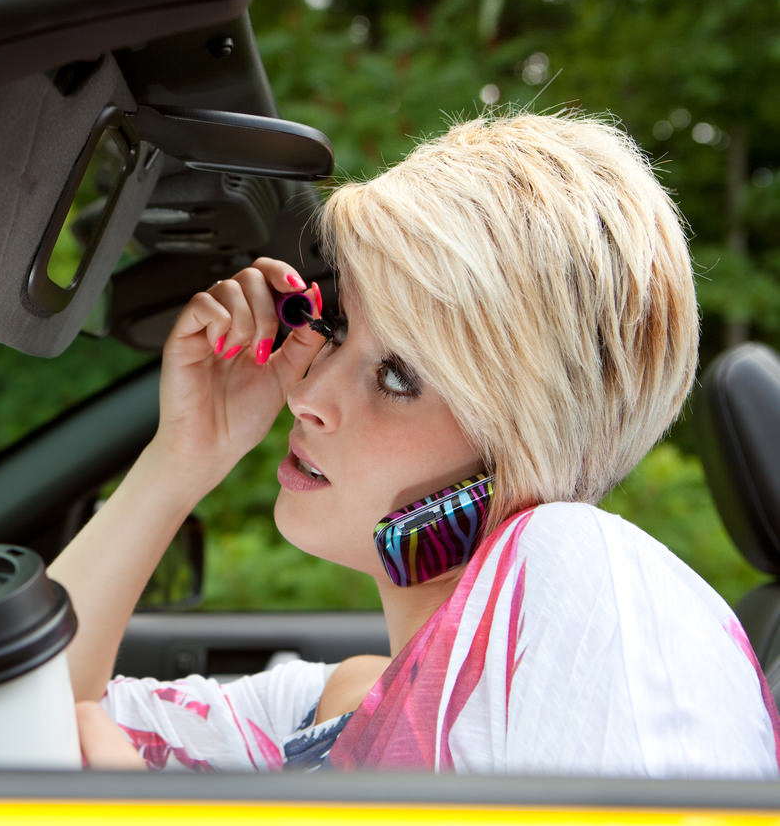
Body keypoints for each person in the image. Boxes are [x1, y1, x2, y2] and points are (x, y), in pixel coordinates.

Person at [48, 111, 780, 777]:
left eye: (397, 376)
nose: (307, 396)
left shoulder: (590, 575)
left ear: (528, 442)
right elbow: (24, 735)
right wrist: (182, 459)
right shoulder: (323, 707)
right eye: (334, 329)